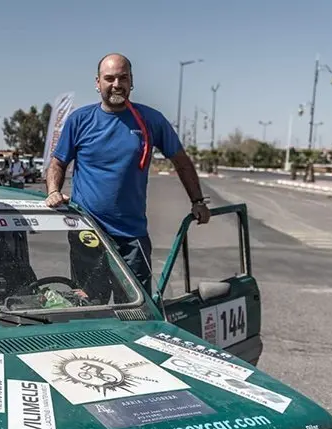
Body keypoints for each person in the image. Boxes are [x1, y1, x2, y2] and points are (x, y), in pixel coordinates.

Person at [45, 53, 210, 295]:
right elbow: (57, 163)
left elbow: (181, 162)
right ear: (97, 82)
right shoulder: (79, 120)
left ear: (131, 81)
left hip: (132, 237)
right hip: (87, 232)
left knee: (135, 312)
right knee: (91, 307)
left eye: (123, 78)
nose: (116, 84)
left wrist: (197, 201)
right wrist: (53, 191)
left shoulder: (151, 120)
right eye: (109, 78)